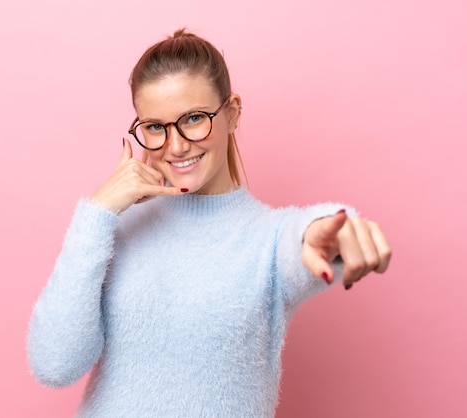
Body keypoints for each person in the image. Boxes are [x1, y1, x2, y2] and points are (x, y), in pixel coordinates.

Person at [27, 29, 392, 417]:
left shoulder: (268, 240)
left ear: (232, 113)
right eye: (155, 126)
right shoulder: (113, 230)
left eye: (195, 118)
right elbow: (54, 364)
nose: (177, 145)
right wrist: (97, 213)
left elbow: (303, 235)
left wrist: (330, 230)